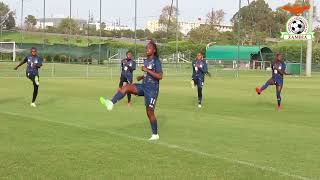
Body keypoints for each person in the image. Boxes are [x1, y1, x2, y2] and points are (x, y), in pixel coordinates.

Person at [100, 41, 163, 140]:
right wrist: (142, 76)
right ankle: (111, 103)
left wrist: (146, 70)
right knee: (127, 87)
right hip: (144, 86)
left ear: (154, 50)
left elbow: (160, 76)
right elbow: (149, 73)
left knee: (149, 112)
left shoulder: (156, 61)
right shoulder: (146, 60)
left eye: (149, 48)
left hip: (152, 90)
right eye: (146, 48)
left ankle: (155, 135)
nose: (147, 49)